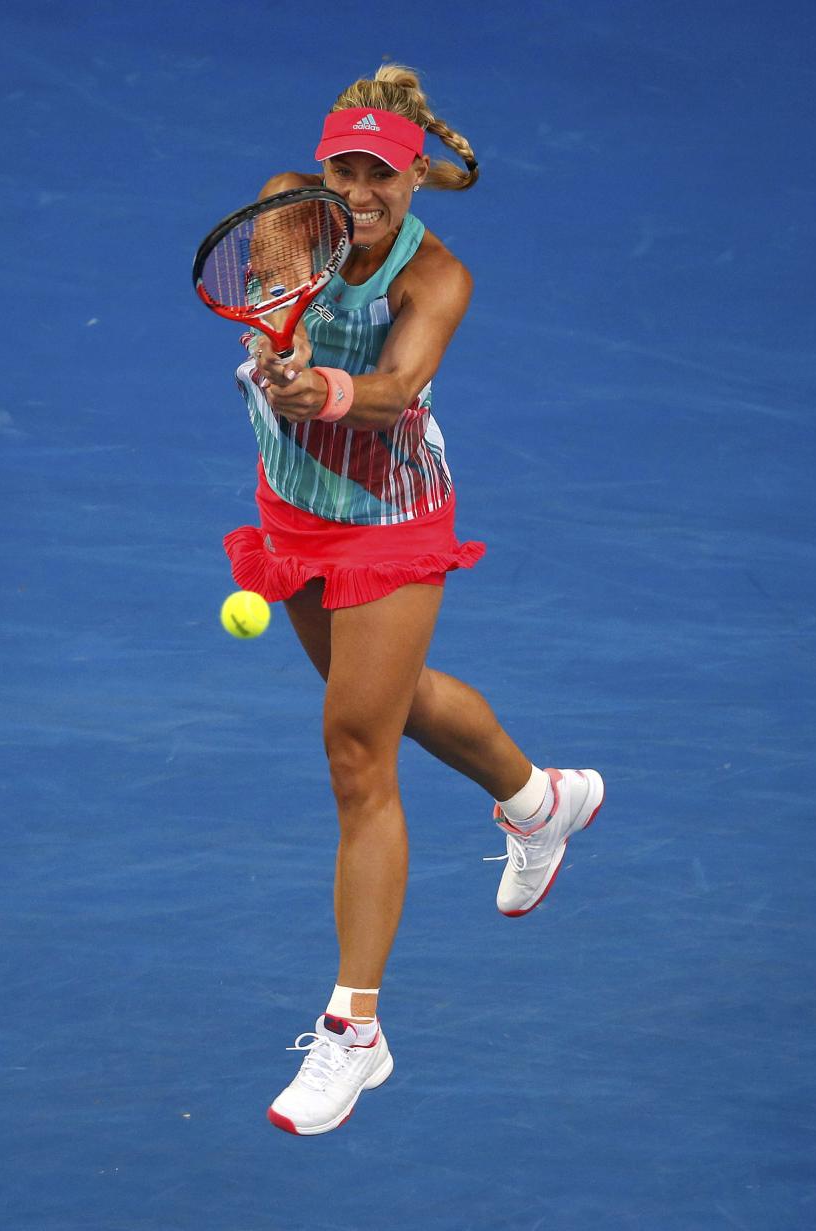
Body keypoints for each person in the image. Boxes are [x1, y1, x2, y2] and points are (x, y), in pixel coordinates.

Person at [221, 64, 605, 1136]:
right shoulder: (285, 209)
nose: (357, 190)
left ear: (413, 178)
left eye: (379, 174)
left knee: (355, 747)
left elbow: (393, 391)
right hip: (291, 503)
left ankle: (356, 1030)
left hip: (389, 516)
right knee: (388, 696)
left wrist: (328, 388)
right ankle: (542, 801)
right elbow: (271, 314)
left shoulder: (436, 276)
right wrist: (273, 347)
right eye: (343, 165)